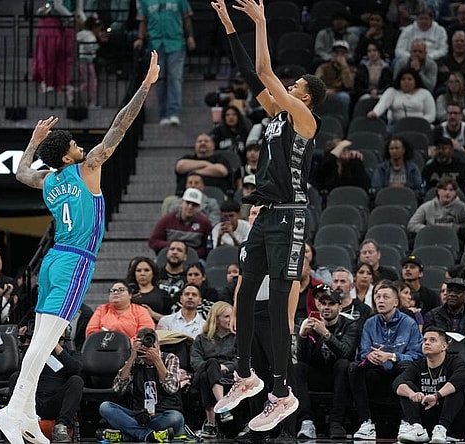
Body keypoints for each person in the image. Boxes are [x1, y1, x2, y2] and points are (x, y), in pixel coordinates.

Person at [0, 52, 160, 444]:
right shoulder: (88, 168)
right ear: (68, 154)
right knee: (46, 341)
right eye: (73, 143)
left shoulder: (49, 181)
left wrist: (32, 143)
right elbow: (119, 126)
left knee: (41, 340)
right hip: (75, 262)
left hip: (52, 261)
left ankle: (26, 412)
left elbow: (20, 172)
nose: (81, 145)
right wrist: (145, 86)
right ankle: (16, 409)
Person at [210, 0, 326, 432]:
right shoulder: (277, 116)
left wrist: (260, 23)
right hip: (264, 215)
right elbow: (250, 71)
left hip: (291, 216)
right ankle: (246, 376)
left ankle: (282, 392)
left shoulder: (305, 119)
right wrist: (228, 27)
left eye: (294, 85)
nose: (287, 87)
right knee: (243, 292)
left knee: (279, 306)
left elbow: (264, 72)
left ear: (306, 96)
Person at [349, 280, 424, 440]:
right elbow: (363, 352)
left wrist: (391, 356)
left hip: (399, 369)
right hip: (377, 369)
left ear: (396, 302)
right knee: (354, 368)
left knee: (408, 367)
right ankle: (366, 423)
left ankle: (408, 422)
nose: (381, 300)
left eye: (385, 297)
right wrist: (370, 355)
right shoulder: (370, 323)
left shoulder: (409, 323)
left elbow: (417, 355)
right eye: (378, 297)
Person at [294, 284, 360, 440]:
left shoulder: (350, 324)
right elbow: (304, 359)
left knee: (343, 364)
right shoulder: (311, 324)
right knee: (298, 368)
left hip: (339, 377)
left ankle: (336, 422)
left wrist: (326, 334)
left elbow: (346, 352)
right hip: (317, 374)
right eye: (323, 304)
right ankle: (306, 422)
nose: (327, 307)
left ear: (340, 306)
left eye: (331, 304)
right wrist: (302, 337)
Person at [99, 328, 185, 441]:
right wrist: (132, 357)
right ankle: (149, 435)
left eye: (150, 343)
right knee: (105, 407)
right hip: (139, 415)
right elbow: (117, 389)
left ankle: (128, 434)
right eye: (144, 343)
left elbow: (171, 389)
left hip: (163, 414)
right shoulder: (134, 361)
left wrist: (157, 360)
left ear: (158, 344)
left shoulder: (170, 358)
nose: (148, 346)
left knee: (176, 418)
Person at [393, 326, 465, 443]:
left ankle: (442, 428)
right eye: (425, 340)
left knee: (454, 387)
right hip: (430, 422)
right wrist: (412, 394)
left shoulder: (455, 362)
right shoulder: (418, 365)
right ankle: (417, 428)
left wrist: (437, 396)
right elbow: (397, 382)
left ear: (444, 346)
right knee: (406, 386)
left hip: (456, 424)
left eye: (432, 340)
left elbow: (461, 377)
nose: (427, 343)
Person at [14, 324, 83, 444]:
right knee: (15, 377)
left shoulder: (72, 354)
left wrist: (53, 343)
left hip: (56, 403)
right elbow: (22, 368)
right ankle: (15, 422)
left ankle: (61, 426)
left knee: (77, 381)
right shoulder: (36, 353)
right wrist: (28, 343)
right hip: (34, 402)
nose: (52, 330)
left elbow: (75, 368)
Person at [134, 0, 194, 126]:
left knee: (175, 77)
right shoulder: (146, 2)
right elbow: (143, 21)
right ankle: (163, 114)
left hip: (176, 42)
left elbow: (186, 18)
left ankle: (173, 113)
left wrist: (190, 37)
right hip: (155, 44)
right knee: (159, 79)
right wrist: (140, 38)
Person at [190, 301, 237, 438]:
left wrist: (226, 367)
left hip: (227, 376)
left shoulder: (237, 338)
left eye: (232, 316)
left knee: (207, 377)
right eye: (226, 316)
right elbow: (195, 362)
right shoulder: (202, 338)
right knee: (211, 364)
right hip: (202, 372)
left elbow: (240, 360)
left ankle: (210, 424)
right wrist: (214, 367)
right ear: (216, 318)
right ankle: (223, 407)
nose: (230, 320)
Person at [424, 277, 465, 358]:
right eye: (449, 291)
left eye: (457, 291)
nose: (452, 294)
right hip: (439, 361)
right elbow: (429, 344)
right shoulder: (432, 316)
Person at [149, 188, 214, 259]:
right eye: (188, 203)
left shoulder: (205, 223)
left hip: (194, 259)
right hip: (169, 257)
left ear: (199, 207)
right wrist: (174, 247)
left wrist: (189, 252)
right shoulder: (167, 219)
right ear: (181, 203)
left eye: (194, 205)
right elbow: (153, 241)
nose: (190, 207)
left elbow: (207, 247)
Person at [86, 280, 155, 339]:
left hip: (133, 351)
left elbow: (145, 334)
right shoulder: (102, 310)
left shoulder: (140, 311)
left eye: (121, 290)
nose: (115, 292)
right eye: (112, 291)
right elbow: (91, 332)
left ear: (130, 295)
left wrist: (124, 344)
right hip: (103, 349)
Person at [368, 68, 436, 126]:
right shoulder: (392, 91)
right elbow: (382, 104)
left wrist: (419, 123)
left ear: (416, 81)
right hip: (397, 125)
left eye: (409, 79)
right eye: (403, 79)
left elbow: (431, 115)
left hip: (420, 125)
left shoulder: (425, 93)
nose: (406, 82)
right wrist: (375, 113)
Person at [128, 257, 173, 323]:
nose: (142, 273)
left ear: (153, 273)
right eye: (138, 270)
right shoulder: (127, 294)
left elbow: (171, 321)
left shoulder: (163, 294)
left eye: (146, 270)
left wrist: (153, 314)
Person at [314, 40, 356, 109]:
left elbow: (349, 85)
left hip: (339, 92)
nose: (339, 55)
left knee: (345, 97)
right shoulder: (323, 67)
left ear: (347, 55)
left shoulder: (351, 69)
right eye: (337, 52)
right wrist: (325, 91)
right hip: (325, 91)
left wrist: (344, 67)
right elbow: (316, 82)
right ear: (332, 54)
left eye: (342, 52)